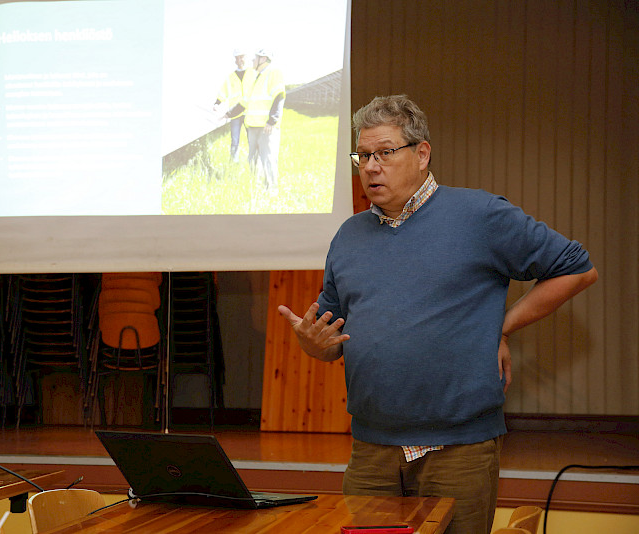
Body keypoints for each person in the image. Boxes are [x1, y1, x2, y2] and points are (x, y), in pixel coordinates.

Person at [277, 95, 598, 534]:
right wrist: (312, 345)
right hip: (372, 451)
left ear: (422, 153)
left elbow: (577, 268)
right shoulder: (348, 236)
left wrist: (500, 327)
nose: (371, 166)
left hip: (459, 449)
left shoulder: (480, 215)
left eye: (385, 153)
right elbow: (331, 338)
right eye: (363, 155)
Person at [244, 48, 285, 191]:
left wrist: (271, 121)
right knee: (253, 159)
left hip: (265, 127)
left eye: (255, 58)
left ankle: (271, 191)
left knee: (268, 159)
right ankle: (255, 189)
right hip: (253, 126)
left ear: (263, 59)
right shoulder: (258, 76)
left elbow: (279, 96)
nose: (252, 61)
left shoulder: (273, 73)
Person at [213, 49, 255, 162]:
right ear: (235, 60)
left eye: (242, 57)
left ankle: (253, 162)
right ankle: (234, 163)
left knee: (252, 140)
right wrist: (217, 103)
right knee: (234, 141)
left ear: (245, 58)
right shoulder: (231, 77)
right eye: (237, 58)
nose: (240, 60)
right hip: (235, 114)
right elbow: (223, 91)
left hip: (249, 112)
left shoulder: (253, 72)